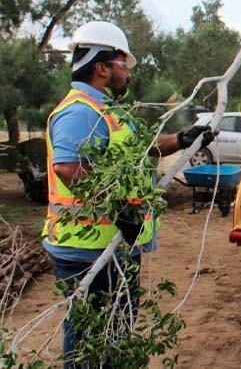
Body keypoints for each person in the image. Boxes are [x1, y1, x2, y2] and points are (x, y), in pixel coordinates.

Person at [43, 21, 215, 368]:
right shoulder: (80, 111)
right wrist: (122, 209)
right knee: (88, 342)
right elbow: (69, 168)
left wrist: (183, 139)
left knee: (117, 334)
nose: (128, 74)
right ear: (102, 67)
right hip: (86, 250)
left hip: (115, 245)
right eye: (124, 65)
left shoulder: (110, 111)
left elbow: (144, 147)